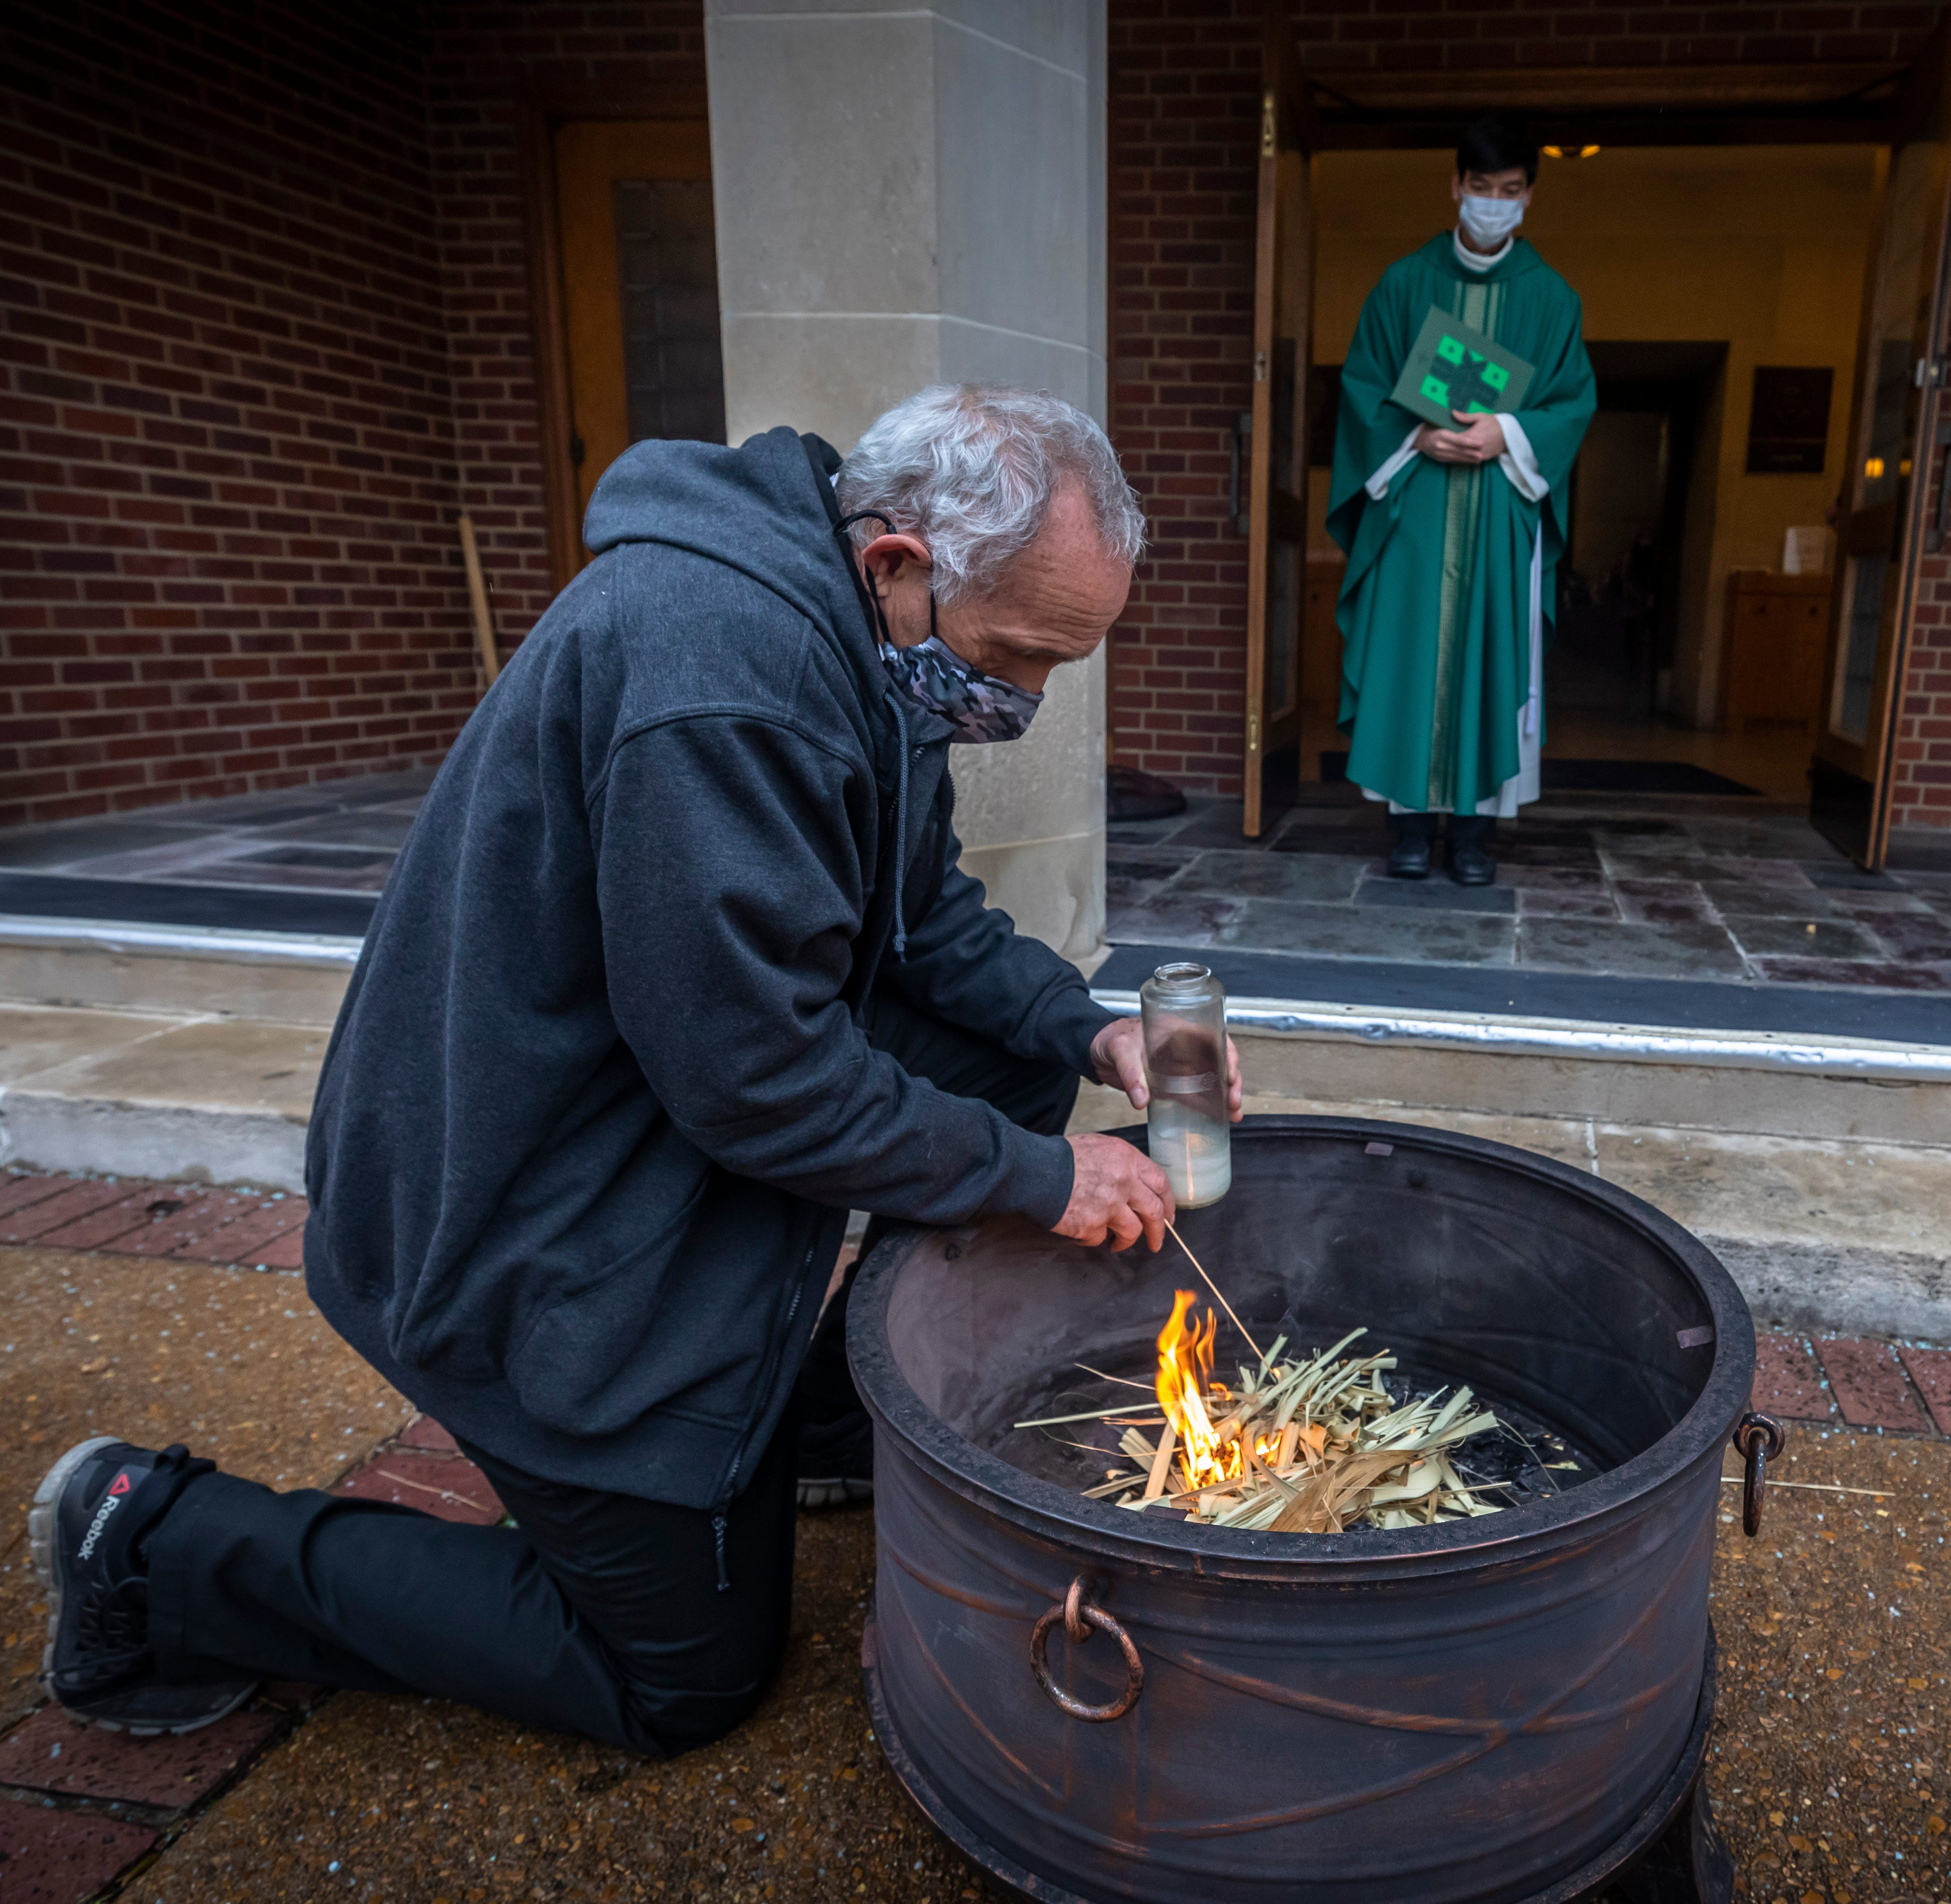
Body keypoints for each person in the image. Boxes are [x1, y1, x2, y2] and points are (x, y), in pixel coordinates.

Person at [28, 385, 1241, 1754]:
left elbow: (919, 923)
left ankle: (811, 1419)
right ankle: (157, 1541)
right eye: (1020, 655)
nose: (1020, 698)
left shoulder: (866, 636)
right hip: (521, 1183)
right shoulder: (732, 681)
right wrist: (1038, 1174)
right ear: (898, 561)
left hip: (649, 1083)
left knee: (991, 1059)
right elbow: (757, 1082)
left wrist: (1087, 1030)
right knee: (680, 1678)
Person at [1327, 112, 1599, 884]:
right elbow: (1362, 390)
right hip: (1415, 509)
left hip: (1497, 513)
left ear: (1527, 198)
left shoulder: (1551, 299)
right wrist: (1416, 438)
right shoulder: (1404, 284)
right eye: (1481, 188)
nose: (1493, 204)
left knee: (1487, 658)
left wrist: (1505, 433)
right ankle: (1409, 828)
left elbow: (1572, 403)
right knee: (1408, 659)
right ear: (1455, 187)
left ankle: (1474, 835)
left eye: (1509, 191)